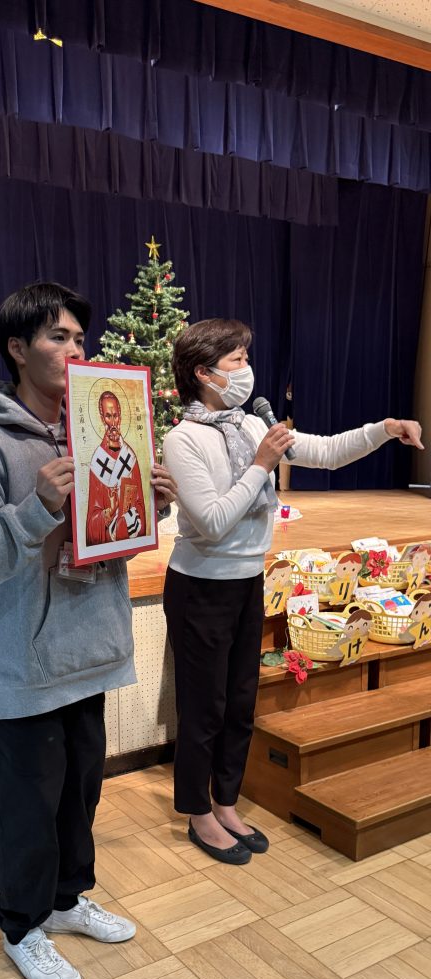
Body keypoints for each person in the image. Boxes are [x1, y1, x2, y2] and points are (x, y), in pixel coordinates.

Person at [0, 282, 176, 979]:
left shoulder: (94, 435)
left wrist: (143, 507)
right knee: (23, 808)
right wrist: (36, 506)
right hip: (20, 666)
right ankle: (21, 924)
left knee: (78, 796)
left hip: (87, 652)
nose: (75, 350)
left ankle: (66, 900)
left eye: (79, 338)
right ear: (17, 348)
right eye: (57, 337)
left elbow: (105, 540)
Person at [162, 317, 424, 865]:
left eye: (245, 357)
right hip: (200, 587)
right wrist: (262, 465)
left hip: (246, 582)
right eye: (236, 360)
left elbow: (325, 451)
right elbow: (212, 522)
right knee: (204, 706)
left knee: (240, 702)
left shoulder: (249, 425)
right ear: (204, 373)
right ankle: (198, 812)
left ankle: (226, 801)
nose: (247, 369)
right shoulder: (183, 438)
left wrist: (384, 428)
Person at [86, 390, 146, 545]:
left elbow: (140, 503)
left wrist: (128, 517)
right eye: (108, 416)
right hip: (106, 543)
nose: (113, 422)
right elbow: (92, 521)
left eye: (115, 415)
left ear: (120, 416)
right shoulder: (97, 461)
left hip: (128, 536)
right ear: (102, 418)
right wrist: (110, 511)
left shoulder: (130, 457)